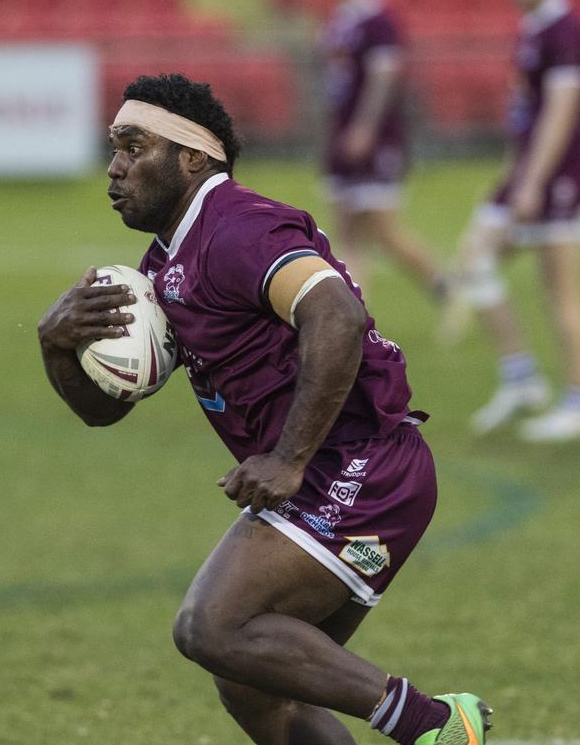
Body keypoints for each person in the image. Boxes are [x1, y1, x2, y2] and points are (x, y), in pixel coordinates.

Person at [37, 73, 490, 745]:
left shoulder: (239, 227)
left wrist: (288, 458)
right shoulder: (165, 261)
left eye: (134, 148)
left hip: (361, 465)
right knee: (256, 686)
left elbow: (335, 312)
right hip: (331, 471)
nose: (115, 168)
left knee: (211, 627)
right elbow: (104, 416)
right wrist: (55, 346)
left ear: (193, 158)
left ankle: (438, 726)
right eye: (115, 148)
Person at [448, 0, 580, 441]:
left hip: (559, 180)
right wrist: (509, 175)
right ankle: (522, 380)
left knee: (562, 291)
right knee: (473, 262)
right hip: (529, 175)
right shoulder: (534, 27)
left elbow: (561, 112)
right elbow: (528, 115)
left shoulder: (564, 29)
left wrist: (533, 182)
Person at [320, 0, 444, 299]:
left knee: (383, 231)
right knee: (347, 228)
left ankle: (444, 284)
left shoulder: (379, 20)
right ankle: (353, 312)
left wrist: (365, 126)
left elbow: (384, 77)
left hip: (373, 139)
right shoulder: (341, 17)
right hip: (342, 133)